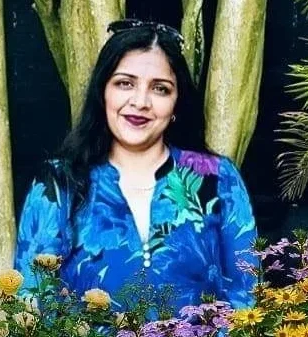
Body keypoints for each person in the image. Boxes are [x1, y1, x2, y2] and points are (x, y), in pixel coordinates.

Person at [15, 19, 257, 313]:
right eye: (125, 83)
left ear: (176, 104)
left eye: (160, 89)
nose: (140, 101)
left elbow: (247, 295)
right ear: (102, 91)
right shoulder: (58, 182)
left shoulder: (218, 178)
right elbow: (33, 301)